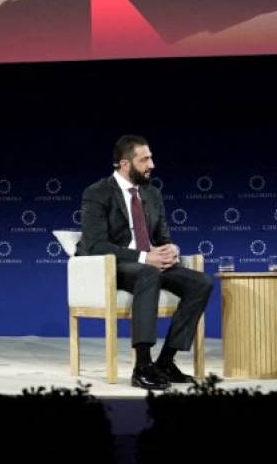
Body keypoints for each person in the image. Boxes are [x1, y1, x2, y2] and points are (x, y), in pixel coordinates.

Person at [78, 136, 214, 390]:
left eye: (151, 158)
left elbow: (162, 237)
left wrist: (171, 249)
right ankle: (142, 366)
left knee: (201, 283)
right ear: (125, 164)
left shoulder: (152, 193)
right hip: (115, 266)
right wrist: (144, 257)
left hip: (148, 265)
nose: (152, 164)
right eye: (145, 159)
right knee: (148, 273)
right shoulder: (97, 193)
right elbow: (96, 245)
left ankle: (165, 361)